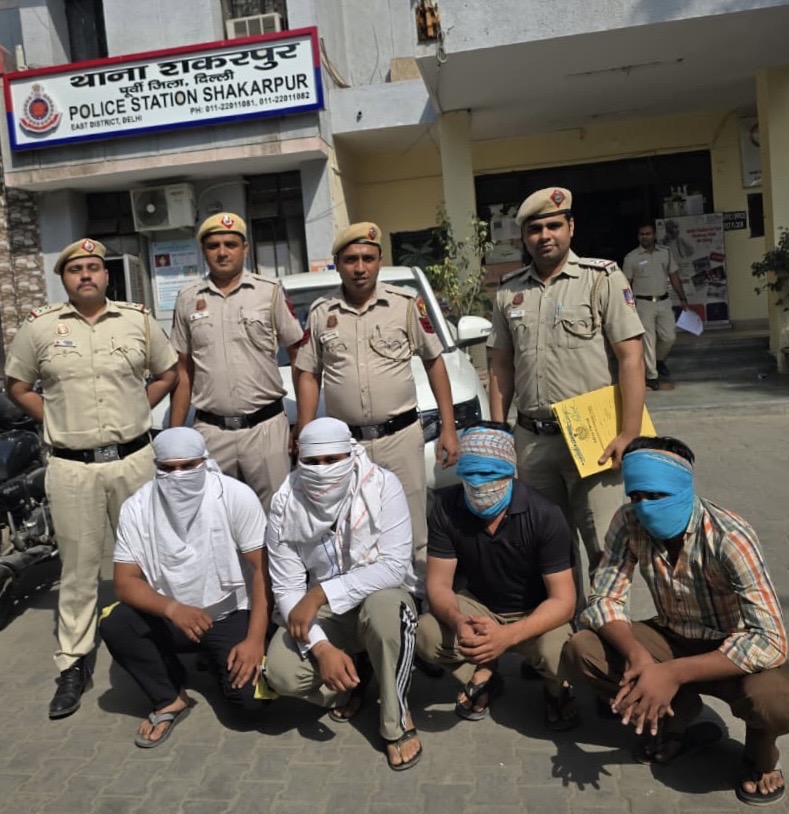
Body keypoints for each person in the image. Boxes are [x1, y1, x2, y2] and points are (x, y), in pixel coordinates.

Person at [4, 238, 178, 719]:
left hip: (133, 460)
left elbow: (167, 372)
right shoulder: (40, 327)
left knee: (148, 559)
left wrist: (138, 409)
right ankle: (73, 662)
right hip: (72, 467)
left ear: (106, 275)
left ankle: (162, 647)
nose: (86, 274)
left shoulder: (137, 320)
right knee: (79, 570)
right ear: (64, 278)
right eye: (76, 268)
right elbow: (17, 385)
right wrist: (55, 419)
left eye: (93, 267)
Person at [563, 436, 788, 807]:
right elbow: (603, 599)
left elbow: (771, 639)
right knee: (582, 648)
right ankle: (676, 717)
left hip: (732, 649)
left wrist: (673, 673)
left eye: (656, 495)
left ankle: (761, 754)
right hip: (672, 634)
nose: (644, 506)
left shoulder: (730, 536)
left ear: (684, 488)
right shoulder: (628, 522)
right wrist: (638, 656)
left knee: (777, 702)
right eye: (636, 496)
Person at [487, 187, 645, 584]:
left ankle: (607, 621)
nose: (545, 236)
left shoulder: (600, 279)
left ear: (570, 228)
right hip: (532, 442)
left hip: (593, 439)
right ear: (524, 237)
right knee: (548, 551)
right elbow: (500, 366)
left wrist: (629, 432)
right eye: (535, 229)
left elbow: (631, 357)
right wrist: (499, 432)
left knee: (606, 546)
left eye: (554, 225)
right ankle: (567, 622)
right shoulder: (509, 291)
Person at [295, 222, 458, 594]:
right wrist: (305, 433)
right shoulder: (321, 313)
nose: (360, 267)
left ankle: (420, 603)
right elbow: (308, 373)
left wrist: (448, 428)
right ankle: (364, 604)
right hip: (346, 446)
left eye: (368, 258)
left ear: (379, 260)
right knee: (352, 528)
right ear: (337, 263)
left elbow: (435, 362)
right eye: (350, 259)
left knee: (414, 525)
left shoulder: (404, 305)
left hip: (400, 437)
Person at [264, 417, 422, 771]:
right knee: (281, 672)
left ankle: (395, 717)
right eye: (312, 461)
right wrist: (321, 649)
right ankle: (353, 679)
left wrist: (320, 593)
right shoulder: (285, 502)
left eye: (332, 459)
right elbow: (287, 588)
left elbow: (394, 567)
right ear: (299, 460)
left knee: (385, 613)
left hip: (380, 594)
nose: (322, 470)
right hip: (328, 613)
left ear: (350, 455)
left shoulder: (382, 485)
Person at [99, 427, 270, 748]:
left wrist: (255, 640)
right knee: (116, 624)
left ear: (204, 461)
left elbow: (263, 569)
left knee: (251, 706)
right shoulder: (137, 507)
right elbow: (124, 582)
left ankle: (217, 659)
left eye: (188, 466)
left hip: (229, 612)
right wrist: (172, 608)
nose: (178, 475)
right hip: (172, 616)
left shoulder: (234, 495)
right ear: (156, 467)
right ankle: (169, 697)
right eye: (168, 468)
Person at [415, 422, 579, 729]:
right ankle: (483, 670)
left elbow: (564, 601)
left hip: (535, 611)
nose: (479, 483)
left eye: (490, 473)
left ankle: (557, 688)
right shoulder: (446, 507)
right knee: (425, 634)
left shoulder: (545, 514)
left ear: (510, 471)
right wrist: (458, 621)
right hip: (479, 606)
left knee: (561, 652)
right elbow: (438, 583)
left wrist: (508, 636)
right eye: (471, 473)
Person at [169, 212, 304, 511]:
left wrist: (303, 425)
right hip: (211, 432)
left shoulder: (270, 292)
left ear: (245, 249)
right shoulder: (187, 298)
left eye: (230, 244)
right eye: (213, 245)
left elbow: (299, 357)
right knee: (216, 519)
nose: (222, 252)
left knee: (277, 516)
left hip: (266, 430)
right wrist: (175, 436)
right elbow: (183, 370)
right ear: (203, 251)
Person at [623, 223, 690, 391]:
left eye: (648, 234)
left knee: (669, 337)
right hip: (643, 303)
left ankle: (658, 360)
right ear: (638, 237)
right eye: (641, 234)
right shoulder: (631, 258)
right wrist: (627, 307)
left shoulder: (665, 253)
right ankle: (652, 377)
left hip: (663, 301)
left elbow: (674, 276)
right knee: (648, 340)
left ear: (654, 235)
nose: (645, 237)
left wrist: (682, 298)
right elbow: (626, 285)